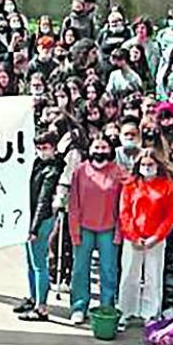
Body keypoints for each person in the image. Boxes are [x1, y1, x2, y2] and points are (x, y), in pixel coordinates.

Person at [117, 149, 173, 323]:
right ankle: (125, 310)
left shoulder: (167, 186)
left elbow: (170, 215)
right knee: (129, 274)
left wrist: (157, 237)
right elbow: (124, 212)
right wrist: (133, 235)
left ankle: (150, 313)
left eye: (150, 164)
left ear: (158, 166)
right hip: (132, 238)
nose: (147, 167)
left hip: (156, 239)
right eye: (143, 164)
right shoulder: (130, 185)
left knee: (154, 276)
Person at [68, 136, 124, 325]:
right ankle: (78, 306)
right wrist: (74, 231)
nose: (100, 150)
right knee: (80, 269)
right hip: (84, 227)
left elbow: (122, 206)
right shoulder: (80, 171)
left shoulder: (119, 172)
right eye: (96, 147)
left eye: (104, 147)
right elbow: (73, 202)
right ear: (90, 149)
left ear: (110, 149)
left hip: (108, 228)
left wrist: (119, 231)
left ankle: (106, 307)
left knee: (109, 270)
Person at [18, 131, 63, 321]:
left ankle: (41, 307)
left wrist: (34, 228)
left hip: (41, 220)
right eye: (39, 148)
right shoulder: (37, 164)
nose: (41, 151)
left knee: (39, 264)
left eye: (45, 148)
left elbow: (43, 201)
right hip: (29, 217)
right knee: (30, 261)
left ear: (53, 147)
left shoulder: (53, 169)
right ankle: (33, 297)